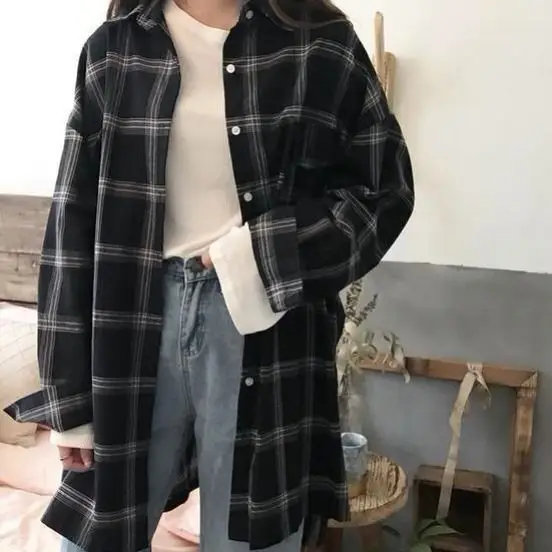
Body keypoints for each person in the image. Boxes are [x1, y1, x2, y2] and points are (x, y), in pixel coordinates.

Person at [5, 0, 414, 551]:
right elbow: (71, 227)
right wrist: (70, 402)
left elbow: (382, 192)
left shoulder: (320, 40)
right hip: (130, 326)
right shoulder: (114, 50)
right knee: (93, 540)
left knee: (250, 539)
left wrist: (261, 254)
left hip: (263, 328)